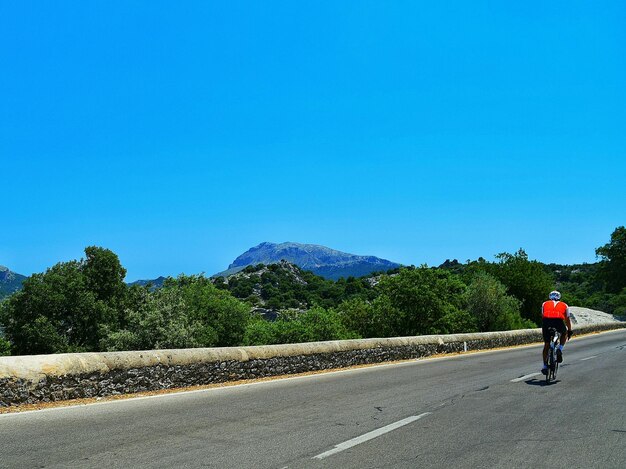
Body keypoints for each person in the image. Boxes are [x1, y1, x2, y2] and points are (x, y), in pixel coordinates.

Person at [541, 290, 573, 375]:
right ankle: (560, 349)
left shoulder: (544, 304)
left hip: (546, 321)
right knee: (565, 333)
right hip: (559, 321)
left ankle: (544, 366)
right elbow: (567, 320)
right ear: (559, 297)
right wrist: (569, 330)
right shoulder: (564, 305)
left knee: (546, 344)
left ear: (549, 297)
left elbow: (543, 315)